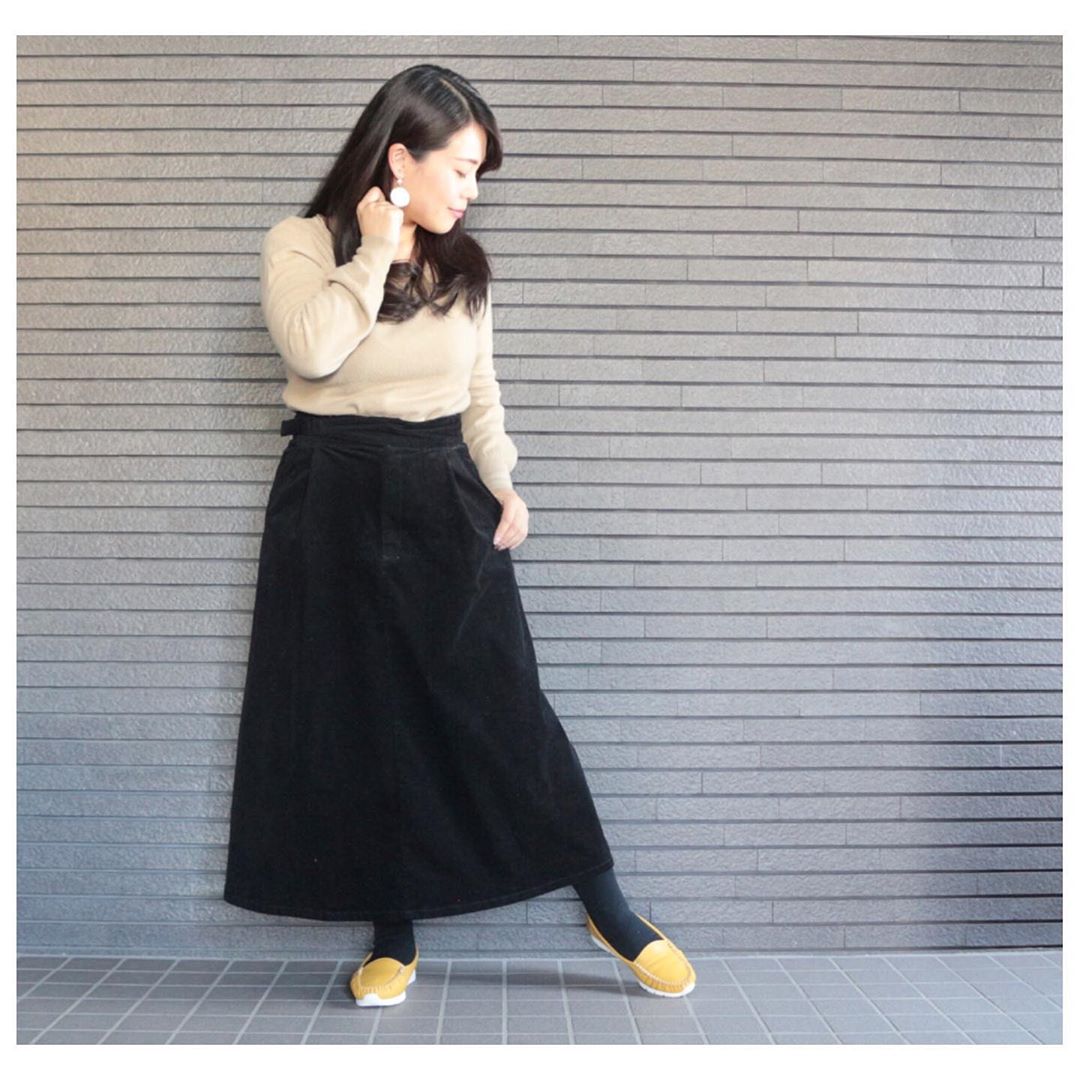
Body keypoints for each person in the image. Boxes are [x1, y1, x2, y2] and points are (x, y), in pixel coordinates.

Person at [223, 63, 695, 1006]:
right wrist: (374, 249)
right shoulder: (300, 243)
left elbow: (479, 390)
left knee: (504, 704)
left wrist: (502, 480)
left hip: (443, 487)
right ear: (401, 158)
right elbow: (311, 348)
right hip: (329, 492)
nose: (472, 191)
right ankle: (392, 933)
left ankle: (607, 905)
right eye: (463, 168)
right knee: (360, 715)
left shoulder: (464, 266)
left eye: (479, 174)